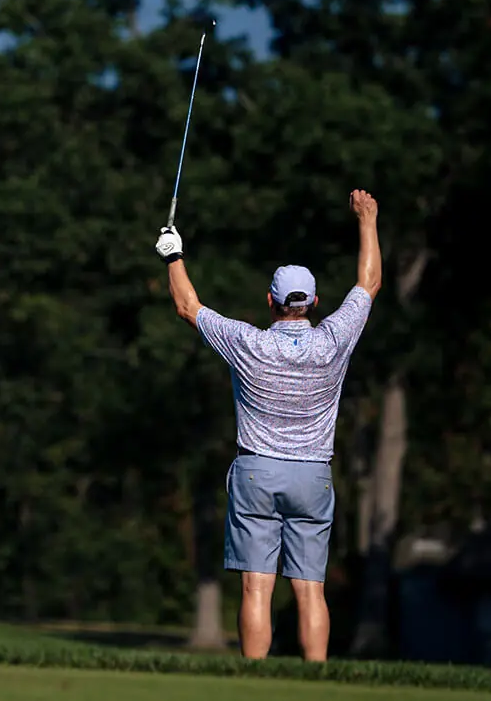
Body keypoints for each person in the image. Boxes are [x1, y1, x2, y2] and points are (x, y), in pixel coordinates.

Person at [154, 190, 382, 661]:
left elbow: (187, 306)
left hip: (257, 472)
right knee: (309, 590)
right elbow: (369, 283)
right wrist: (368, 220)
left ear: (271, 301)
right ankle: (316, 679)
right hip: (313, 475)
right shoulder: (333, 341)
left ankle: (255, 676)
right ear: (314, 301)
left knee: (257, 589)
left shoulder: (249, 343)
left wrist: (173, 254)